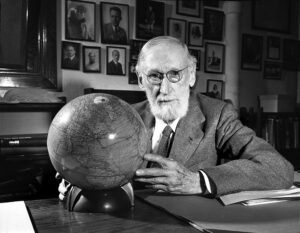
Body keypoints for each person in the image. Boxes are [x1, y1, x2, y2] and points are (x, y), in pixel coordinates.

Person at [58, 36, 293, 199]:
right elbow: (95, 168)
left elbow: (278, 168)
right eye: (154, 76)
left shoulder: (218, 115)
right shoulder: (123, 117)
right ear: (141, 81)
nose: (165, 89)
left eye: (174, 74)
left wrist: (198, 181)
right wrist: (81, 181)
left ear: (190, 76)